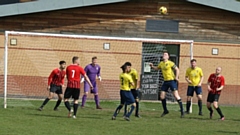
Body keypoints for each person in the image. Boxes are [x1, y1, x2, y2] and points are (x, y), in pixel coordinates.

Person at [149, 51, 184, 118]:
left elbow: (177, 69)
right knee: (162, 96)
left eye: (165, 55)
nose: (164, 55)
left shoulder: (170, 63)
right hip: (165, 81)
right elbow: (157, 68)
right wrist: (152, 66)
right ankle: (165, 110)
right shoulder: (161, 63)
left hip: (171, 81)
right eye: (163, 54)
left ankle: (182, 111)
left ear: (168, 57)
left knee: (176, 96)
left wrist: (176, 77)